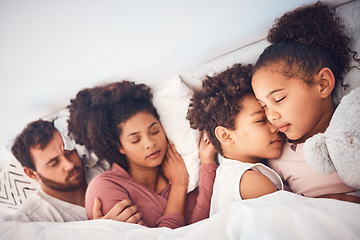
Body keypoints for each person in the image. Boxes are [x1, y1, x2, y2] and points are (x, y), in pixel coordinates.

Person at [67, 80, 217, 229]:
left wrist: (207, 161)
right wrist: (179, 187)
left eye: (154, 131)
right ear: (119, 146)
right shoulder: (105, 187)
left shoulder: (179, 168)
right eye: (135, 139)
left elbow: (201, 227)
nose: (150, 143)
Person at [251, 2, 359, 201]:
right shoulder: (277, 155)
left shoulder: (354, 128)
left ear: (322, 84)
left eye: (279, 98)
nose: (271, 116)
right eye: (263, 106)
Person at [187, 63, 284, 216]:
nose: (276, 126)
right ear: (225, 135)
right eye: (260, 120)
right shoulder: (250, 181)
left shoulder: (227, 176)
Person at [9, 119, 143, 223]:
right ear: (32, 173)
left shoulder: (103, 169)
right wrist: (103, 232)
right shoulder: (31, 220)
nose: (69, 165)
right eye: (54, 163)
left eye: (69, 152)